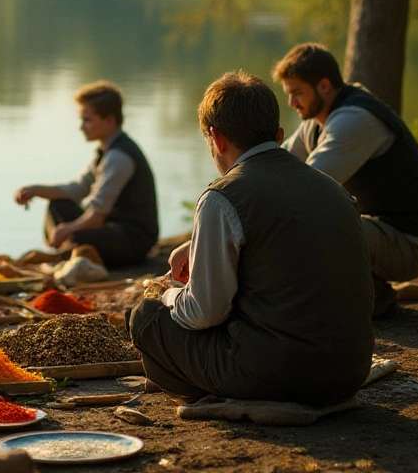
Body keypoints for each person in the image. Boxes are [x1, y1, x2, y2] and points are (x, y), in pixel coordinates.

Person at [129, 71, 373, 405]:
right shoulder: (332, 188)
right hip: (348, 373)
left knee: (145, 318)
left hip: (279, 374)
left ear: (217, 139)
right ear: (279, 135)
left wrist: (169, 294)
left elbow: (204, 313)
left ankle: (211, 387)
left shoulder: (223, 196)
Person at [271, 43, 418, 314]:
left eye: (296, 93)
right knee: (311, 222)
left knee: (320, 224)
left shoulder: (355, 119)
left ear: (324, 85)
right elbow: (274, 165)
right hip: (377, 234)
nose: (291, 103)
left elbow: (304, 187)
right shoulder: (316, 123)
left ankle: (374, 297)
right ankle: (376, 290)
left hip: (408, 244)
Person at [13, 81, 159, 269]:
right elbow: (77, 189)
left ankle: (65, 257)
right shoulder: (105, 151)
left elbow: (97, 216)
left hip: (132, 241)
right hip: (111, 228)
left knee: (75, 236)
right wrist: (35, 190)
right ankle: (65, 254)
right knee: (58, 205)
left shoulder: (119, 157)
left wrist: (67, 230)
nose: (82, 127)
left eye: (87, 120)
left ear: (109, 120)